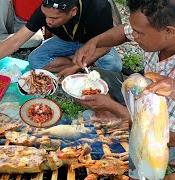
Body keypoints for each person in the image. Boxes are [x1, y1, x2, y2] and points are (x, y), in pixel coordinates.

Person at [71, 0, 175, 177]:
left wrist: (112, 109)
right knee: (91, 79)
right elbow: (124, 31)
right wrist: (94, 42)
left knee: (94, 124)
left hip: (163, 137)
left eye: (139, 33)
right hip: (146, 100)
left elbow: (168, 136)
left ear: (169, 32)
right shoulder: (154, 33)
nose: (134, 35)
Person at [0, 0, 122, 84]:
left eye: (54, 19)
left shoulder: (98, 6)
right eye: (45, 16)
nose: (47, 22)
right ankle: (81, 63)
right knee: (35, 60)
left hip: (94, 42)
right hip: (66, 41)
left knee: (114, 66)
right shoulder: (47, 8)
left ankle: (78, 63)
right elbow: (16, 40)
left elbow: (106, 45)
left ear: (73, 12)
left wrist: (74, 67)